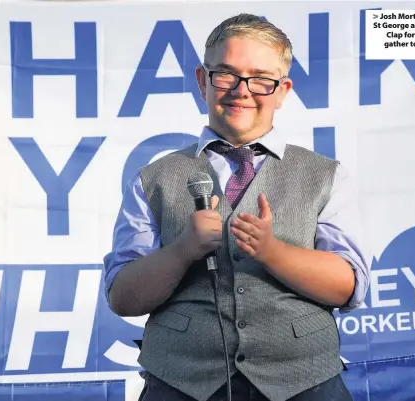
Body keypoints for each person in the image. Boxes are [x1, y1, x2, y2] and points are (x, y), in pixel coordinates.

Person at [103, 13, 370, 401]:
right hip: (180, 384)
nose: (242, 91)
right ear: (202, 82)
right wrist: (182, 251)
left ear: (282, 91)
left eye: (261, 79)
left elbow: (349, 285)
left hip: (305, 384)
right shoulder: (153, 178)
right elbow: (123, 297)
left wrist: (273, 252)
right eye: (225, 75)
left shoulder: (326, 176)